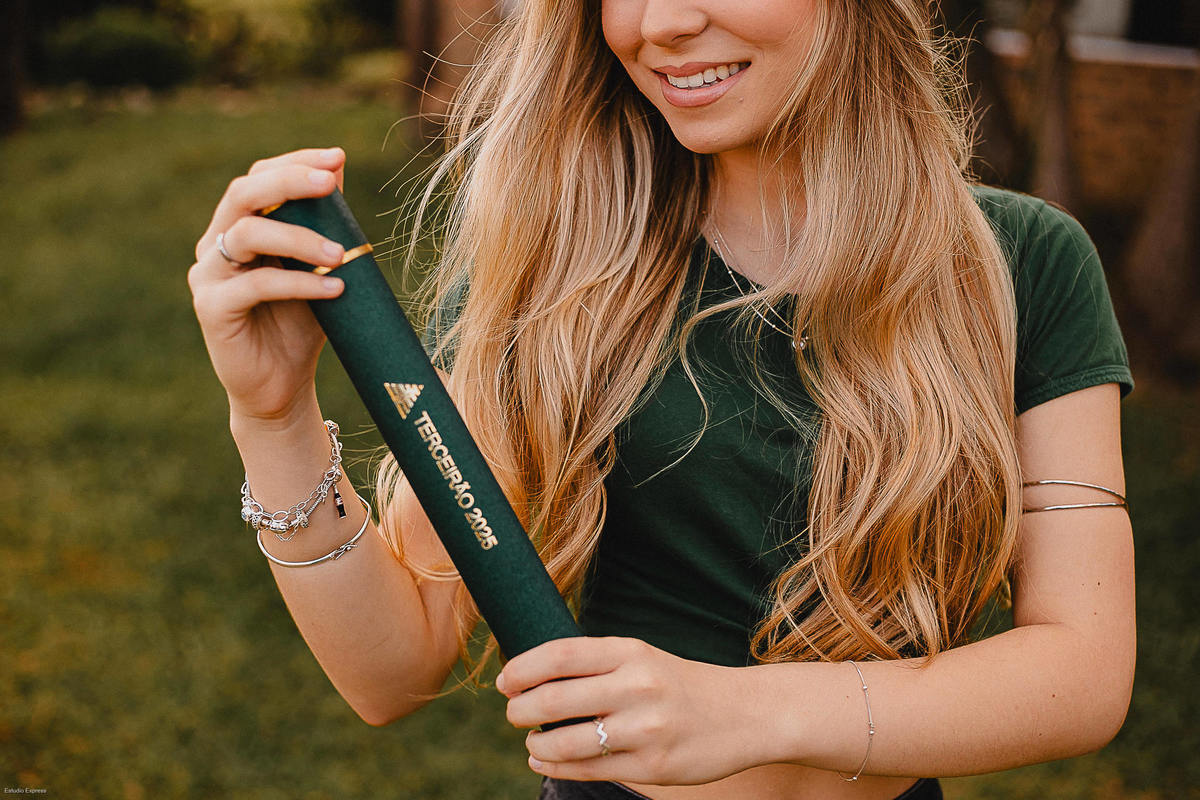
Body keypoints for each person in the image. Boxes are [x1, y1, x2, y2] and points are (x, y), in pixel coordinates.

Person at [186, 1, 1136, 798]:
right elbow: (392, 670)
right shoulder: (560, 274)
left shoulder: (1019, 265)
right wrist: (273, 419)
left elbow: (1083, 671)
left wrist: (744, 712)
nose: (660, 23)